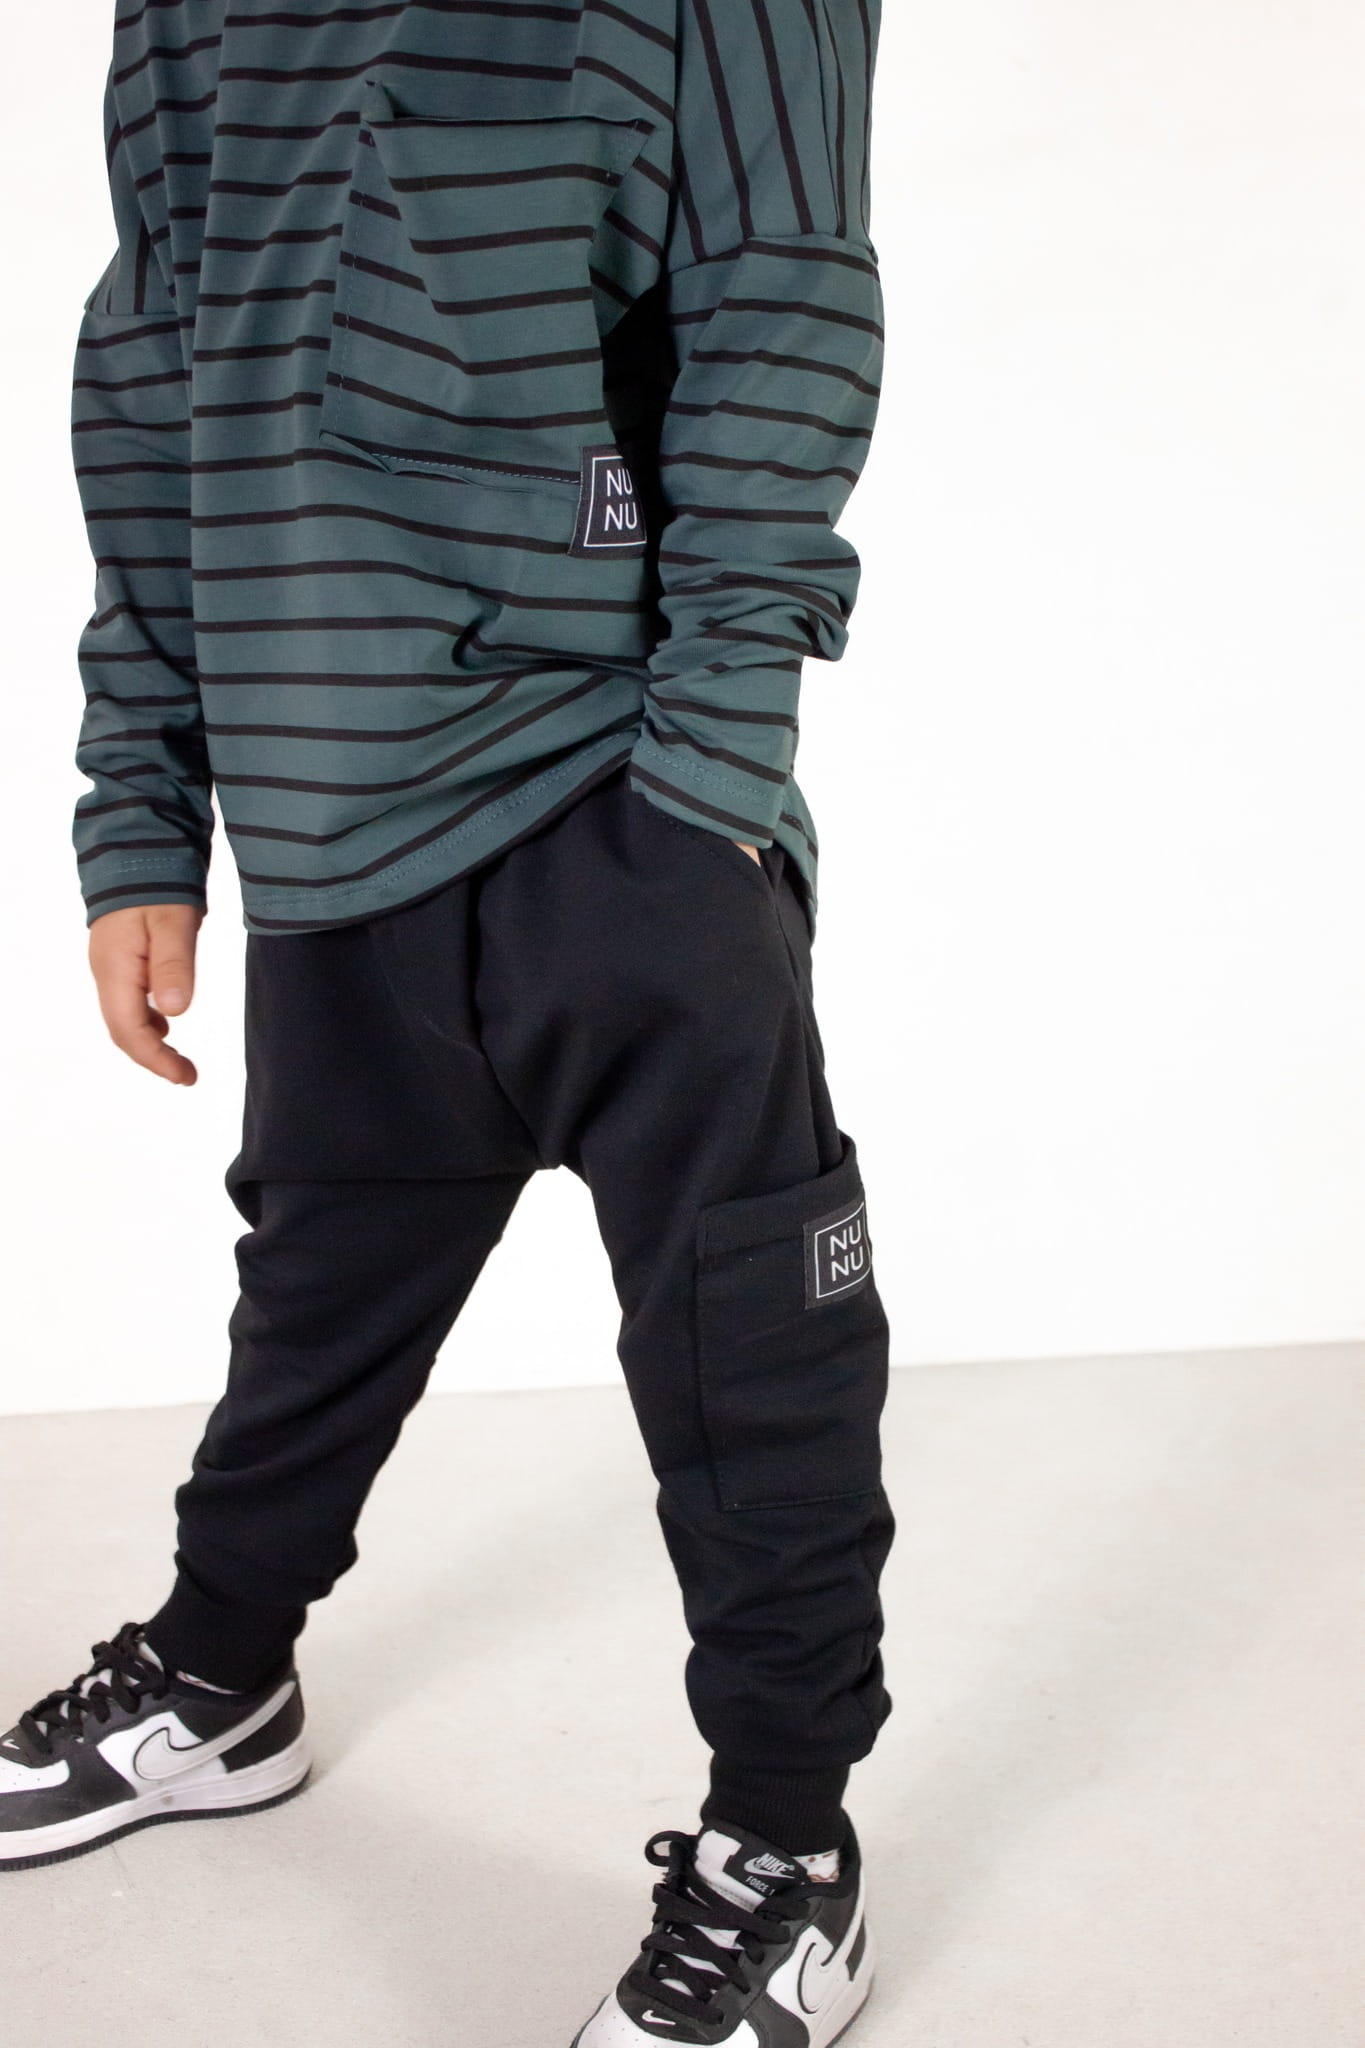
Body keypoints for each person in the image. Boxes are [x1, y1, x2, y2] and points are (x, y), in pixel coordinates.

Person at [3, 2, 894, 2041]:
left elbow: (781, 309)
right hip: (321, 805)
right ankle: (221, 1676)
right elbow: (151, 363)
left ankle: (786, 1848)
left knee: (749, 1359)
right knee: (314, 1300)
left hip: (613, 801)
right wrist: (145, 810)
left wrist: (705, 792)